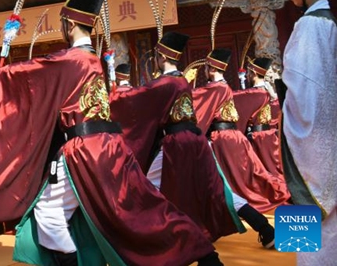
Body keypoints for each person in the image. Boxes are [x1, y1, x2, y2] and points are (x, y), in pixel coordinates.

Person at [0, 0, 221, 266]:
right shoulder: (91, 60)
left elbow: (30, 75)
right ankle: (205, 253)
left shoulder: (71, 59)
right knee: (139, 207)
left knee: (49, 213)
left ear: (69, 25)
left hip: (83, 151)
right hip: (109, 146)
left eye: (62, 24)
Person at [111, 32, 273, 247]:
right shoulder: (180, 81)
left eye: (157, 55)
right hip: (197, 141)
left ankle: (147, 240)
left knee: (145, 187)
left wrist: (112, 81)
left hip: (177, 144)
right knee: (218, 188)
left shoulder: (166, 83)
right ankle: (264, 227)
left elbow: (131, 100)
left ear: (162, 57)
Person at [281, 0, 337, 265]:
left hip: (311, 145)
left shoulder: (309, 26)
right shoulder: (329, 23)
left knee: (311, 229)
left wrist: (286, 114)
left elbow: (305, 93)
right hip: (329, 140)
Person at [194, 49, 289, 214]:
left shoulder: (217, 89)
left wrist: (178, 86)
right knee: (247, 176)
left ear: (212, 69)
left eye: (207, 67)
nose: (205, 71)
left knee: (241, 179)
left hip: (225, 139)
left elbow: (195, 99)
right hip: (234, 137)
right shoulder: (224, 88)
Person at [235, 58, 284, 179]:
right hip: (272, 136)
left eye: (249, 73)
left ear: (254, 73)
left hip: (259, 139)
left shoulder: (255, 93)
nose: (247, 75)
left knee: (264, 175)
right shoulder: (270, 94)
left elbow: (234, 98)